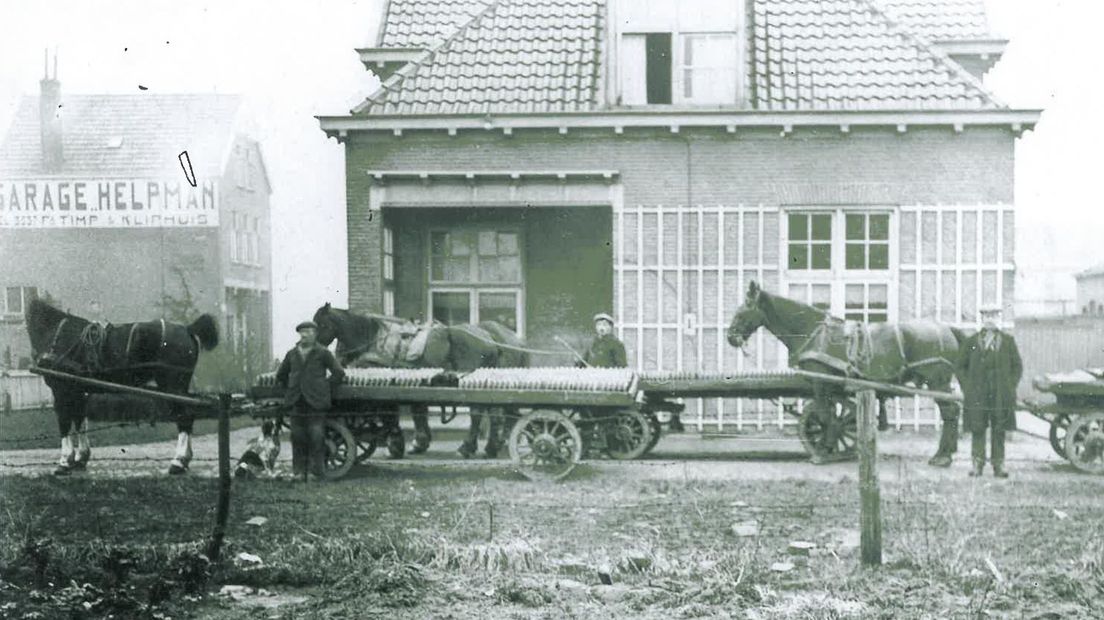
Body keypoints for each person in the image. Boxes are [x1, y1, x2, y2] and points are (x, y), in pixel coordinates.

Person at [954, 304, 1022, 479]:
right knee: (978, 428)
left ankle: (998, 465)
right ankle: (977, 464)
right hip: (978, 395)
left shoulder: (1008, 342)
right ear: (982, 319)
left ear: (998, 319)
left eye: (993, 316)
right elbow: (960, 367)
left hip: (1001, 395)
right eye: (986, 316)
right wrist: (968, 387)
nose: (990, 319)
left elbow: (1017, 367)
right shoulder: (971, 342)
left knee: (999, 430)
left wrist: (1009, 387)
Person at [275, 320, 346, 480]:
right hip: (296, 401)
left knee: (316, 436)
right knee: (297, 436)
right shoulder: (292, 354)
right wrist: (291, 389)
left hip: (316, 401)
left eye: (309, 332)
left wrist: (324, 387)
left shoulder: (323, 353)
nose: (305, 335)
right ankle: (299, 472)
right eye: (302, 332)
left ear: (315, 335)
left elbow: (338, 373)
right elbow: (281, 375)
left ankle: (316, 472)